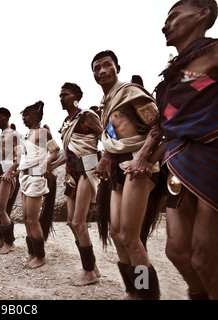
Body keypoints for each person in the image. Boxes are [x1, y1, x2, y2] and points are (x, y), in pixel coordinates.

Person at [152, 0, 218, 300]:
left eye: (175, 16)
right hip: (177, 162)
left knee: (205, 259)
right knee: (176, 251)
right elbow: (161, 124)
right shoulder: (171, 75)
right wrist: (142, 157)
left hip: (211, 160)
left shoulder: (215, 53)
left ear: (203, 14)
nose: (166, 24)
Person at [92, 50, 163, 299]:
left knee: (131, 237)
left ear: (117, 68)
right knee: (116, 234)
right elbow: (113, 137)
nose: (101, 71)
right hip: (116, 167)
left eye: (106, 65)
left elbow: (160, 124)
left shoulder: (130, 92)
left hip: (138, 165)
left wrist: (143, 156)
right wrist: (102, 159)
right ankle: (132, 290)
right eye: (96, 68)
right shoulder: (107, 103)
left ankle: (146, 294)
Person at [50, 82, 103, 285]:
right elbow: (68, 152)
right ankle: (92, 265)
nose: (61, 98)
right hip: (72, 170)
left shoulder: (87, 115)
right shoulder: (66, 121)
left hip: (87, 168)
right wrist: (52, 165)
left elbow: (105, 136)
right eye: (60, 95)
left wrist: (104, 160)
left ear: (76, 96)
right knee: (71, 222)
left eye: (65, 94)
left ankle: (88, 272)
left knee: (79, 221)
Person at [19, 101, 60, 269]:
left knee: (32, 219)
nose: (24, 118)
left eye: (27, 115)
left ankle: (40, 256)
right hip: (24, 176)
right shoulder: (26, 135)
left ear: (35, 116)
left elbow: (56, 151)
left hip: (36, 177)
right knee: (25, 218)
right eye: (23, 115)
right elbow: (22, 155)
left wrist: (48, 161)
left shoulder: (42, 132)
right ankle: (32, 253)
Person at [0, 108, 22, 254]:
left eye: (0, 118)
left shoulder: (14, 135)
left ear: (7, 117)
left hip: (8, 169)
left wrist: (10, 171)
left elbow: (20, 157)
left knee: (1, 208)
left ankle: (9, 242)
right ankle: (0, 240)